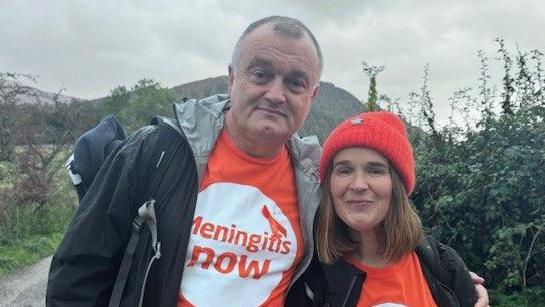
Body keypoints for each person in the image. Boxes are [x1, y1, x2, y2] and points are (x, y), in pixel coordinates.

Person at [47, 16, 488, 307]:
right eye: (261, 74)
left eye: (295, 82)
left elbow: (372, 238)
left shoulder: (315, 180)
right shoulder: (159, 151)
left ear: (311, 96)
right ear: (233, 77)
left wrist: (449, 280)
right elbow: (79, 271)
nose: (277, 93)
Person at [292, 111, 481, 306]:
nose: (358, 185)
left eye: (375, 170)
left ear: (397, 185)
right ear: (329, 184)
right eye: (344, 170)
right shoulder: (311, 280)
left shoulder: (442, 265)